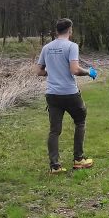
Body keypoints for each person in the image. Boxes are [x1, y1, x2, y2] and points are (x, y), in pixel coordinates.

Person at [36, 18, 98, 173]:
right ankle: (79, 159)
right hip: (70, 93)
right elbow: (75, 70)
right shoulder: (72, 46)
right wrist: (88, 72)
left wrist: (53, 72)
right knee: (80, 122)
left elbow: (39, 71)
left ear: (56, 31)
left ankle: (54, 166)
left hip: (52, 95)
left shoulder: (46, 48)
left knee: (54, 130)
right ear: (70, 30)